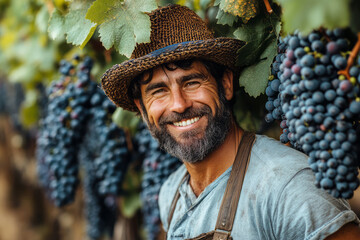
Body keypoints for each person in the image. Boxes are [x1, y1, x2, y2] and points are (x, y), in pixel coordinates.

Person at [101, 4, 360, 240]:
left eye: (191, 82)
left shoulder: (290, 188)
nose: (179, 104)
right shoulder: (171, 194)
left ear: (225, 84)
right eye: (158, 91)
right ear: (142, 108)